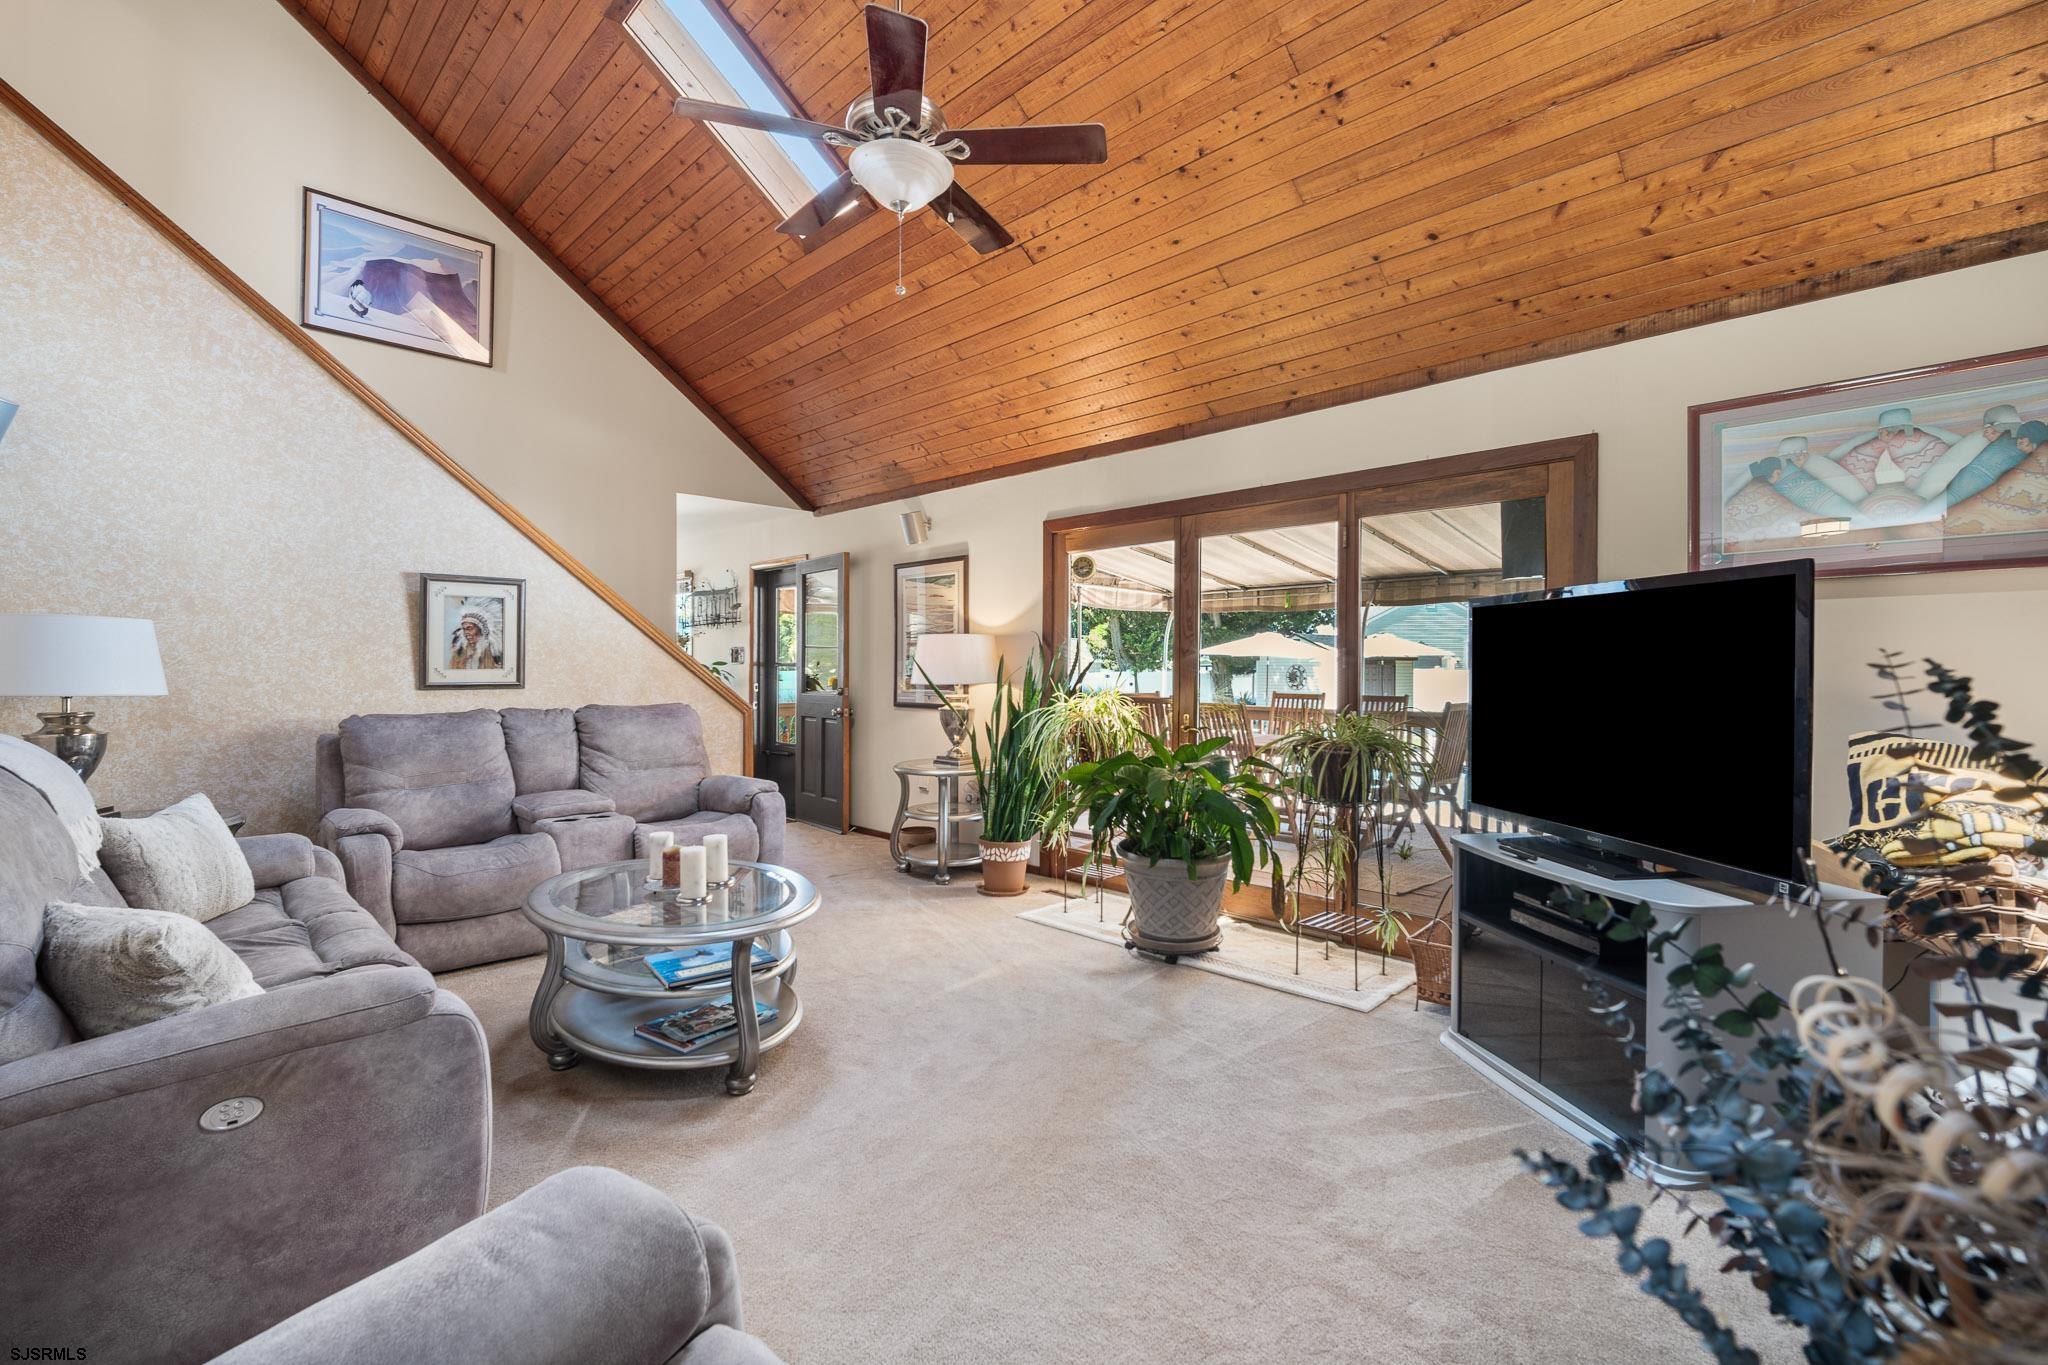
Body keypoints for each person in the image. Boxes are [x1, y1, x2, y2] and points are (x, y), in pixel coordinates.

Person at [1942, 417, 2046, 509]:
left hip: (1977, 476)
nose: (2020, 441)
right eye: (2021, 438)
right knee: (1951, 498)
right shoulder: (2013, 437)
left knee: (1950, 499)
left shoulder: (2026, 447)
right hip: (1976, 476)